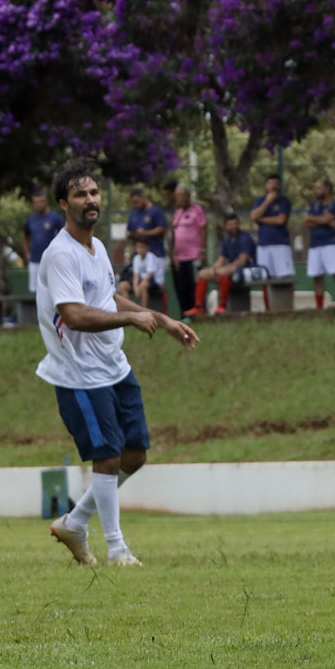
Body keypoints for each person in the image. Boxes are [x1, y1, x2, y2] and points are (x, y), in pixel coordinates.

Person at [39, 160, 199, 568]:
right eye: (80, 194)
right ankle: (117, 549)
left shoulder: (96, 248)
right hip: (79, 373)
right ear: (64, 204)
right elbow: (74, 315)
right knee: (107, 457)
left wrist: (160, 319)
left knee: (135, 454)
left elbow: (108, 298)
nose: (90, 200)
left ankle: (74, 522)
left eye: (94, 192)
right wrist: (131, 320)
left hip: (114, 365)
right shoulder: (60, 254)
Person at [198, 214, 260, 315]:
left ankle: (222, 306)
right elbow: (221, 259)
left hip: (247, 270)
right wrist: (214, 269)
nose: (233, 227)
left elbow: (242, 261)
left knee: (223, 272)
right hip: (230, 270)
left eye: (235, 224)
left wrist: (223, 269)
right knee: (202, 273)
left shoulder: (245, 237)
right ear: (226, 226)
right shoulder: (227, 240)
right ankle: (199, 308)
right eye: (230, 224)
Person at [303, 178, 335, 310]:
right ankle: (320, 307)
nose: (316, 191)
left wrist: (313, 218)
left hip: (331, 244)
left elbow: (325, 219)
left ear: (327, 190)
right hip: (315, 245)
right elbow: (307, 223)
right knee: (317, 276)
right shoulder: (315, 206)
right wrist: (323, 221)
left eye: (319, 188)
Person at [124, 189, 169, 309]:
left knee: (152, 285)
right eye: (133, 203)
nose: (136, 205)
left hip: (156, 254)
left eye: (137, 202)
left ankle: (150, 312)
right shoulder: (134, 214)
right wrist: (134, 234)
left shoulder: (156, 211)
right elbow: (128, 232)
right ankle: (129, 314)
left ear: (143, 197)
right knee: (126, 284)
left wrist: (145, 233)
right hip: (140, 256)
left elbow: (163, 228)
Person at [169, 185, 208, 317]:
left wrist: (203, 251)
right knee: (181, 287)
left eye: (180, 196)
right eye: (177, 196)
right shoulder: (178, 213)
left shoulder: (197, 210)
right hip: (180, 258)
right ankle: (184, 314)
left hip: (194, 256)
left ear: (187, 196)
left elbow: (203, 230)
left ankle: (197, 313)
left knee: (194, 286)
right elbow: (176, 235)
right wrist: (174, 254)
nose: (178, 199)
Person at [250, 176, 294, 282]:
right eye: (270, 183)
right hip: (263, 245)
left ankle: (286, 294)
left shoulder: (284, 201)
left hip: (280, 244)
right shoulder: (260, 200)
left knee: (285, 277)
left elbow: (281, 220)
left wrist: (261, 219)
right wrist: (267, 201)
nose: (273, 186)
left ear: (280, 186)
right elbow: (254, 216)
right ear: (266, 186)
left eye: (276, 184)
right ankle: (269, 295)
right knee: (265, 277)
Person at [24, 190, 65, 267]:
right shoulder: (31, 219)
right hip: (34, 261)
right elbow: (26, 237)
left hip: (52, 261)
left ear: (46, 202)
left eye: (41, 201)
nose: (38, 204)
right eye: (36, 202)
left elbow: (65, 235)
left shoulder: (56, 218)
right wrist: (27, 254)